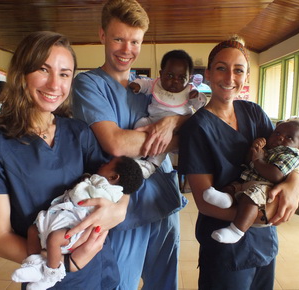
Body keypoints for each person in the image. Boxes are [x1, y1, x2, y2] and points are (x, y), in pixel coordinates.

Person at [0, 31, 122, 289]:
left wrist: (116, 209)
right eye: (43, 69)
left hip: (102, 267)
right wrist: (64, 264)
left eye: (64, 74)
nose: (54, 85)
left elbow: (116, 179)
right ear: (21, 73)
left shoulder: (78, 132)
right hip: (51, 277)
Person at [72, 0, 187, 289]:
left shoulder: (147, 87)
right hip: (122, 209)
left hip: (163, 200)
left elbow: (187, 119)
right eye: (118, 39)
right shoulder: (89, 84)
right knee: (120, 281)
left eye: (134, 41)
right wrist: (172, 137)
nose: (127, 50)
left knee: (164, 282)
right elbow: (116, 143)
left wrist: (173, 122)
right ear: (102, 36)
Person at [178, 35, 299, 289]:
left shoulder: (254, 113)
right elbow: (205, 203)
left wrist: (295, 183)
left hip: (263, 242)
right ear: (209, 74)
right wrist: (264, 213)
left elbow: (288, 155)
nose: (229, 78)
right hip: (226, 246)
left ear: (246, 76)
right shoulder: (197, 128)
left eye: (238, 70)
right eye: (221, 68)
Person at [12, 156, 143, 290]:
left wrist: (85, 182)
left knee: (54, 239)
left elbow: (81, 194)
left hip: (75, 227)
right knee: (32, 231)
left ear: (114, 177)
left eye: (108, 163)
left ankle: (51, 274)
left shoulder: (108, 191)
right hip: (62, 218)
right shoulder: (101, 182)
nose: (103, 162)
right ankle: (35, 264)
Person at [203, 118, 299, 244]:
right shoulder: (269, 150)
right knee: (231, 187)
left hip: (265, 188)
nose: (280, 138)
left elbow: (276, 175)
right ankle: (227, 199)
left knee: (250, 200)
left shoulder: (290, 156)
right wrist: (254, 149)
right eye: (277, 133)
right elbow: (248, 162)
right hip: (247, 182)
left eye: (289, 137)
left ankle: (236, 230)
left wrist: (259, 160)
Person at [129, 49, 206, 177]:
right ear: (161, 73)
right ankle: (135, 155)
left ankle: (151, 166)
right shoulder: (156, 84)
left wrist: (196, 97)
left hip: (175, 129)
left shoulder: (189, 92)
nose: (175, 81)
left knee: (162, 147)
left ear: (189, 78)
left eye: (182, 78)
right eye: (170, 76)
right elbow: (145, 84)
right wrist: (138, 86)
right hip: (152, 120)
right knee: (140, 124)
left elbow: (201, 106)